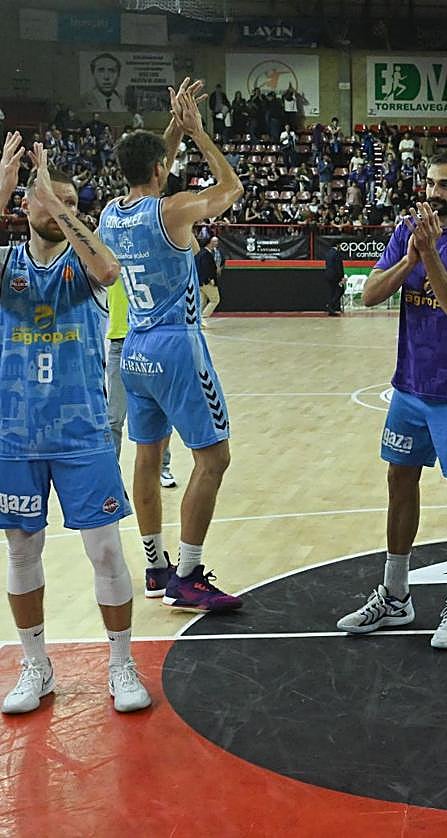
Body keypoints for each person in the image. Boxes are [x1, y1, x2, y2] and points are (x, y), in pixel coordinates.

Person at [0, 134, 150, 714]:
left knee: (107, 552)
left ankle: (121, 664)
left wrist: (60, 203)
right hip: (15, 433)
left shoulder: (84, 265)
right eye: (45, 198)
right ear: (24, 205)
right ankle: (34, 666)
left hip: (82, 430)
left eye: (69, 201)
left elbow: (109, 269)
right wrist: (8, 186)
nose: (58, 207)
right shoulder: (8, 264)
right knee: (20, 552)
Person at [336, 152, 447, 650]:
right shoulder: (408, 232)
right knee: (398, 480)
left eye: (445, 185)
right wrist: (409, 257)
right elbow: (368, 295)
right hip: (410, 384)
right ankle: (396, 595)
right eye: (430, 182)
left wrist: (427, 256)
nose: (434, 191)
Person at [98, 79, 245, 613]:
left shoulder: (111, 215)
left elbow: (150, 173)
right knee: (214, 458)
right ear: (161, 170)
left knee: (146, 456)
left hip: (132, 345)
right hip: (177, 347)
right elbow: (231, 189)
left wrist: (171, 134)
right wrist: (200, 135)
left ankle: (155, 565)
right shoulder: (174, 210)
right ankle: (188, 573)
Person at [106, 273, 177, 492]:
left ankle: (162, 467)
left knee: (160, 413)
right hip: (120, 341)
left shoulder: (149, 256)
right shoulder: (107, 252)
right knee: (114, 418)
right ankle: (109, 476)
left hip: (151, 339)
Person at [196, 235, 222, 325]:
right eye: (214, 241)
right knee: (215, 299)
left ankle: (197, 319)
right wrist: (210, 279)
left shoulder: (200, 253)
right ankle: (202, 317)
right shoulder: (206, 254)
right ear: (209, 243)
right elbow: (206, 268)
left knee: (202, 302)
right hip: (206, 282)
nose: (216, 243)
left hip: (200, 282)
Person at [324, 242, 345, 316]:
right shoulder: (337, 254)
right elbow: (339, 266)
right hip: (336, 276)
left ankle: (331, 310)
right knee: (340, 290)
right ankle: (330, 305)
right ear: (337, 245)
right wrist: (342, 277)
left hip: (328, 275)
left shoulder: (328, 253)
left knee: (332, 292)